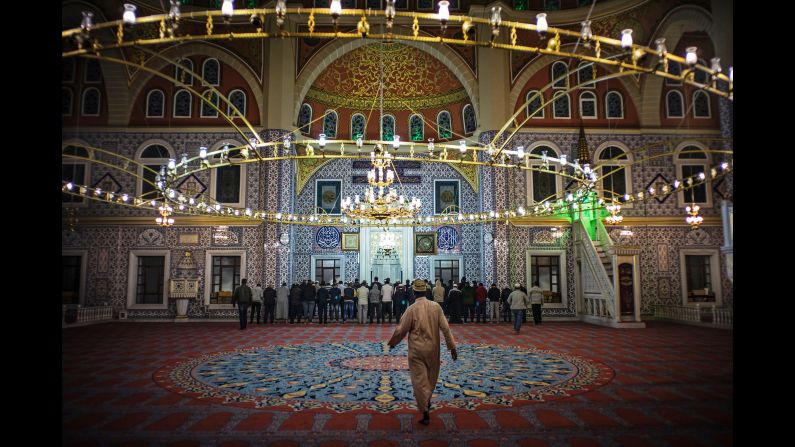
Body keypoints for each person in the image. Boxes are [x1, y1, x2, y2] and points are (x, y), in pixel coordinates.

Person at [387, 279, 457, 426]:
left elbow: (401, 330)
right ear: (426, 291)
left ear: (413, 292)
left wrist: (393, 343)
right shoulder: (436, 307)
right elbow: (445, 328)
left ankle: (425, 411)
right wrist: (452, 347)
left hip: (417, 351)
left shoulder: (411, 309)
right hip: (433, 350)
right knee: (431, 379)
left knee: (419, 381)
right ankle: (427, 402)